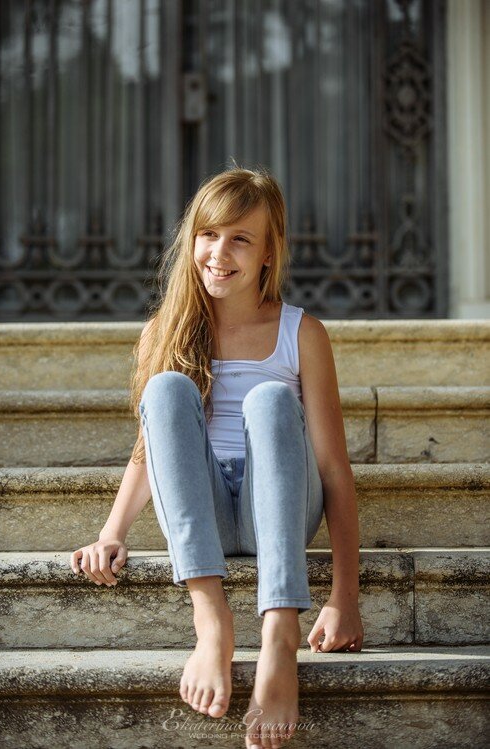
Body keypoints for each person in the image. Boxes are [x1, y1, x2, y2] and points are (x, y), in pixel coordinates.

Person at [70, 166, 364, 749]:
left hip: (276, 507)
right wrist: (111, 532)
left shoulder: (301, 333)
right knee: (165, 390)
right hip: (204, 513)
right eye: (208, 234)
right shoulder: (164, 331)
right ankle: (211, 620)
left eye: (240, 239)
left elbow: (333, 468)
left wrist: (345, 598)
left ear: (269, 252)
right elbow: (150, 449)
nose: (219, 253)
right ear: (192, 239)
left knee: (271, 401)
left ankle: (279, 636)